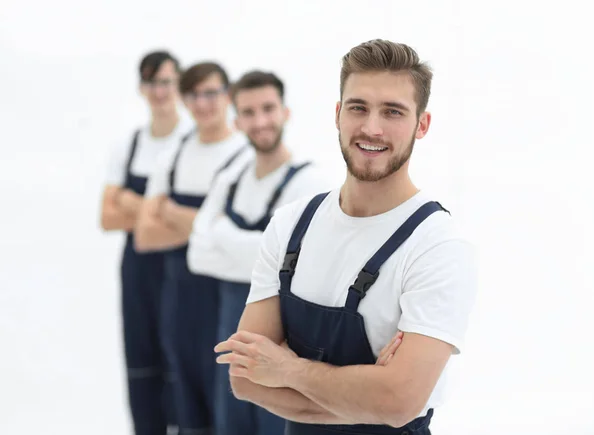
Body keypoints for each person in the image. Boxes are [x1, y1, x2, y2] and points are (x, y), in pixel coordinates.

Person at [214, 39, 478, 434]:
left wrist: (288, 368)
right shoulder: (290, 227)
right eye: (358, 108)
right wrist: (369, 395)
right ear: (338, 114)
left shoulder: (437, 245)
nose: (372, 127)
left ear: (421, 124)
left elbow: (398, 402)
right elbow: (246, 379)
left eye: (393, 112)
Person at [187, 70, 336, 435]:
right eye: (249, 112)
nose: (261, 121)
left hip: (281, 348)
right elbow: (197, 255)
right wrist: (259, 252)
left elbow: (291, 267)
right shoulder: (231, 179)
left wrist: (222, 232)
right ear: (236, 120)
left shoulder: (308, 182)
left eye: (268, 108)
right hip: (229, 340)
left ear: (285, 112)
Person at [134, 61, 250, 435]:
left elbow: (241, 244)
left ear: (227, 95)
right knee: (186, 407)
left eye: (212, 93)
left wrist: (170, 211)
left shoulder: (245, 155)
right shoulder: (173, 154)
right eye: (194, 95)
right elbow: (145, 236)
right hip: (178, 302)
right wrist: (205, 225)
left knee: (228, 406)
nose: (203, 103)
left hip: (227, 302)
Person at [99, 50, 191, 435]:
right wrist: (160, 212)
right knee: (142, 359)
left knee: (183, 362)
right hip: (138, 272)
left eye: (167, 81)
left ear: (179, 85)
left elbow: (198, 229)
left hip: (184, 271)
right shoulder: (129, 144)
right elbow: (106, 217)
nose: (160, 91)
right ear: (142, 88)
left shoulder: (192, 142)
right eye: (152, 82)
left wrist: (129, 201)